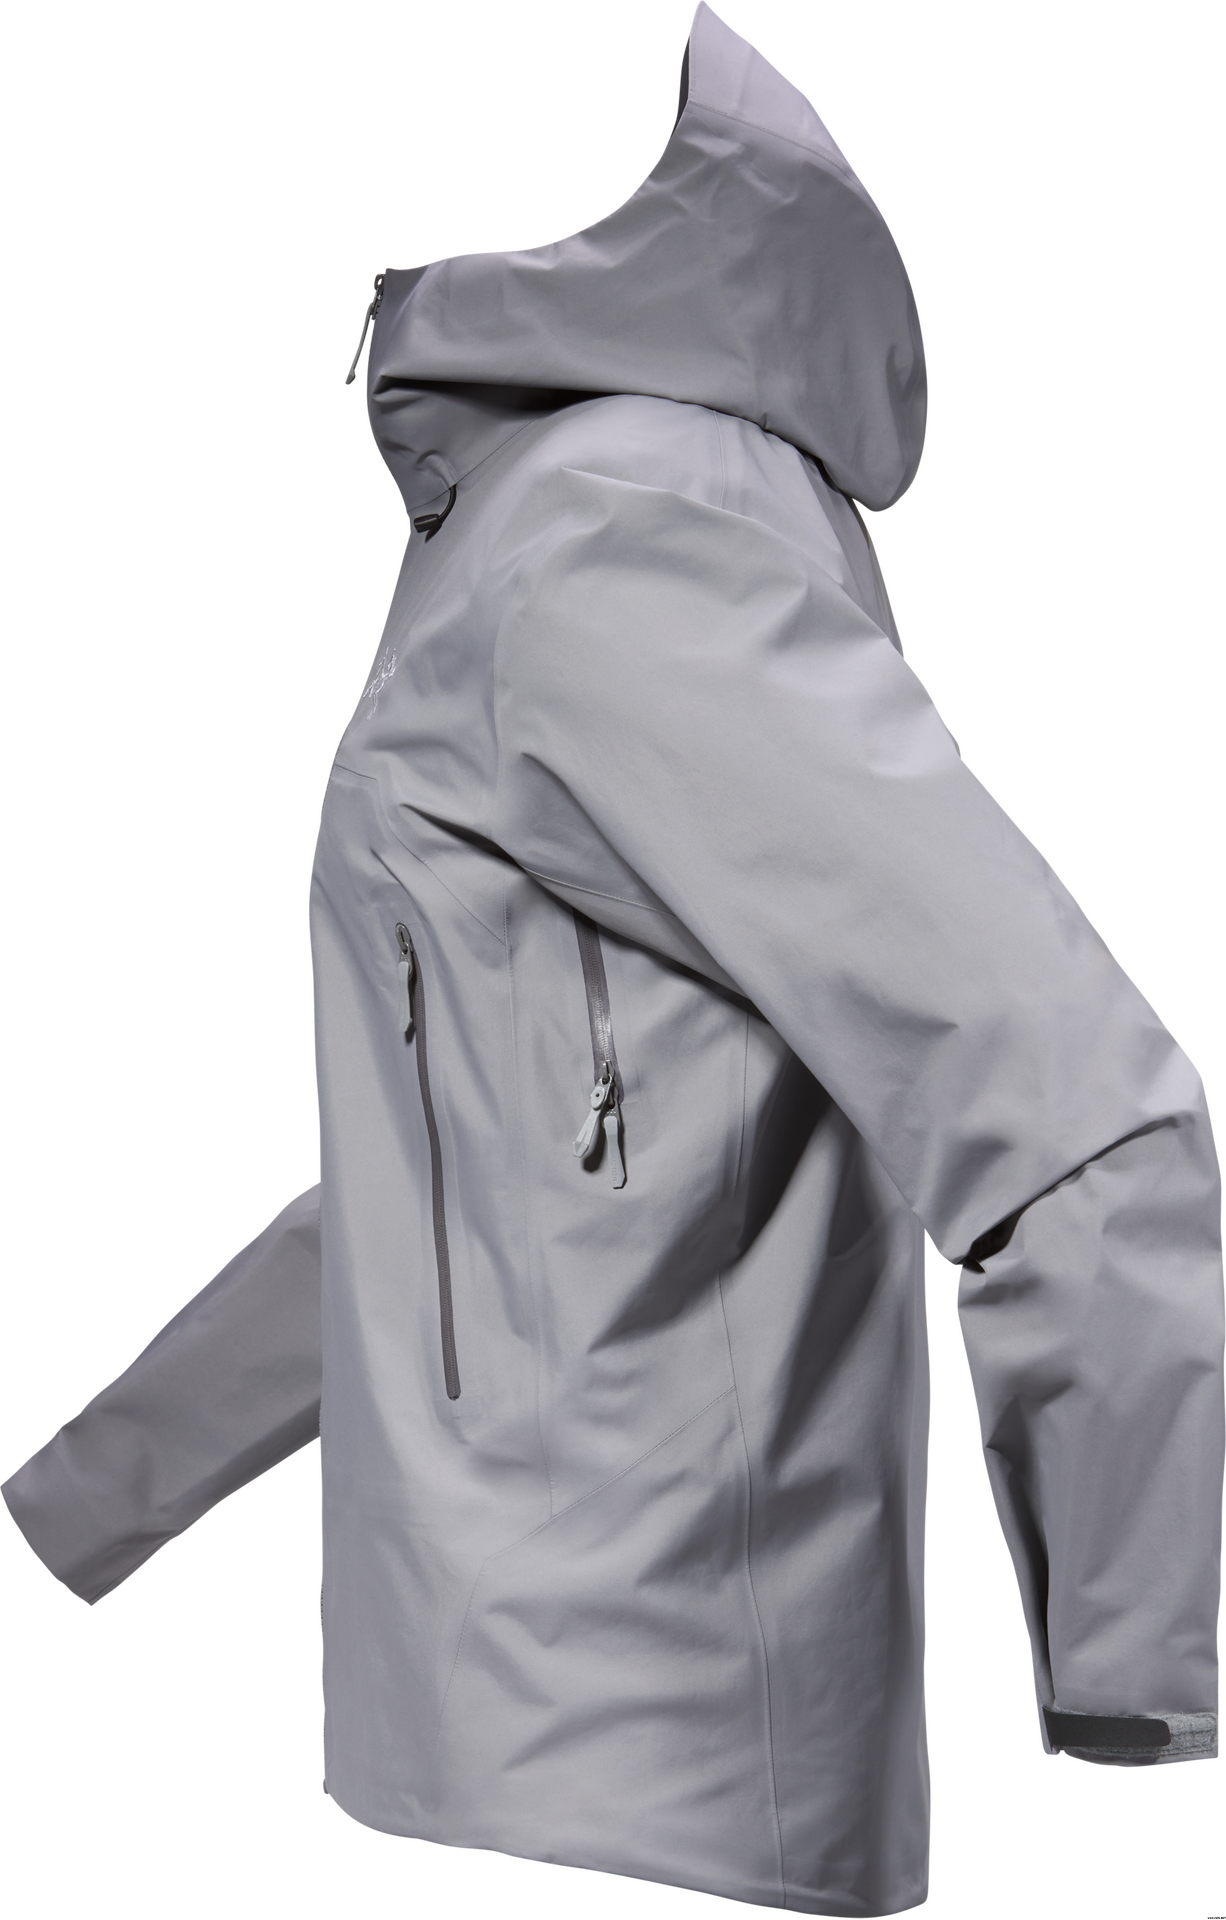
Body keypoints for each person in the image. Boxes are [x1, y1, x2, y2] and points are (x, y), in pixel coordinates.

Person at [3, 7, 1220, 1914]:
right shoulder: (542, 524)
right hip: (498, 1730)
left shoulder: (614, 542)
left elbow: (1085, 1117)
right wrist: (82, 1506)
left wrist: (1121, 1694)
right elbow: (450, 1178)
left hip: (629, 1780)